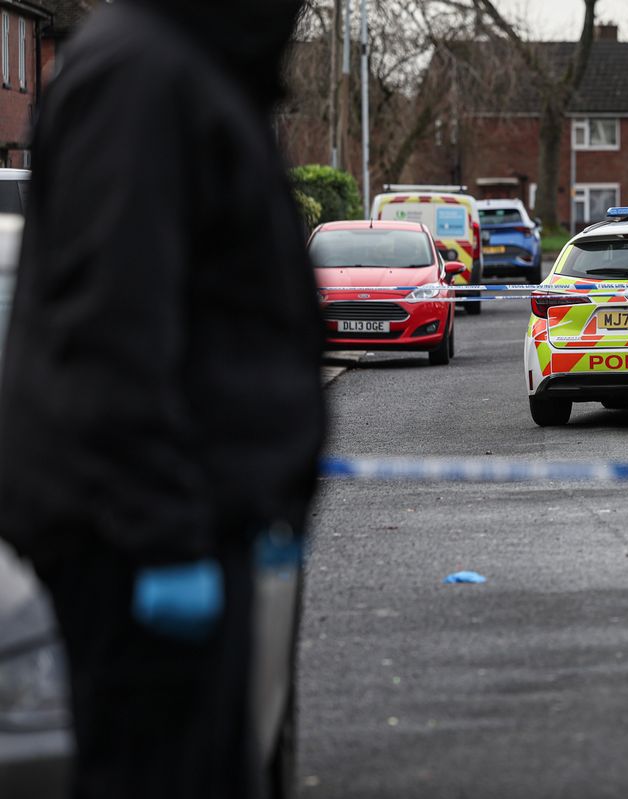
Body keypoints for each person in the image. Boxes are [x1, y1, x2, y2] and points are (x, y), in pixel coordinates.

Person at [0, 1, 325, 797]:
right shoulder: (145, 80)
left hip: (194, 531)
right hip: (145, 556)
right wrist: (164, 542)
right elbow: (113, 331)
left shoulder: (188, 70)